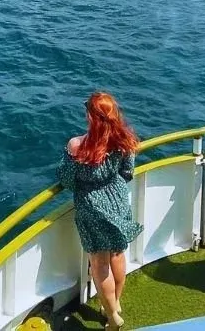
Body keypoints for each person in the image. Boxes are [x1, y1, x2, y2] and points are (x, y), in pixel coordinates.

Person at [58, 92, 143, 330]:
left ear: (91, 117)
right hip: (117, 200)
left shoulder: (77, 146)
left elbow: (66, 180)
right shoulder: (123, 141)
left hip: (91, 206)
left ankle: (114, 316)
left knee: (99, 261)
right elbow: (127, 172)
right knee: (117, 253)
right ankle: (114, 304)